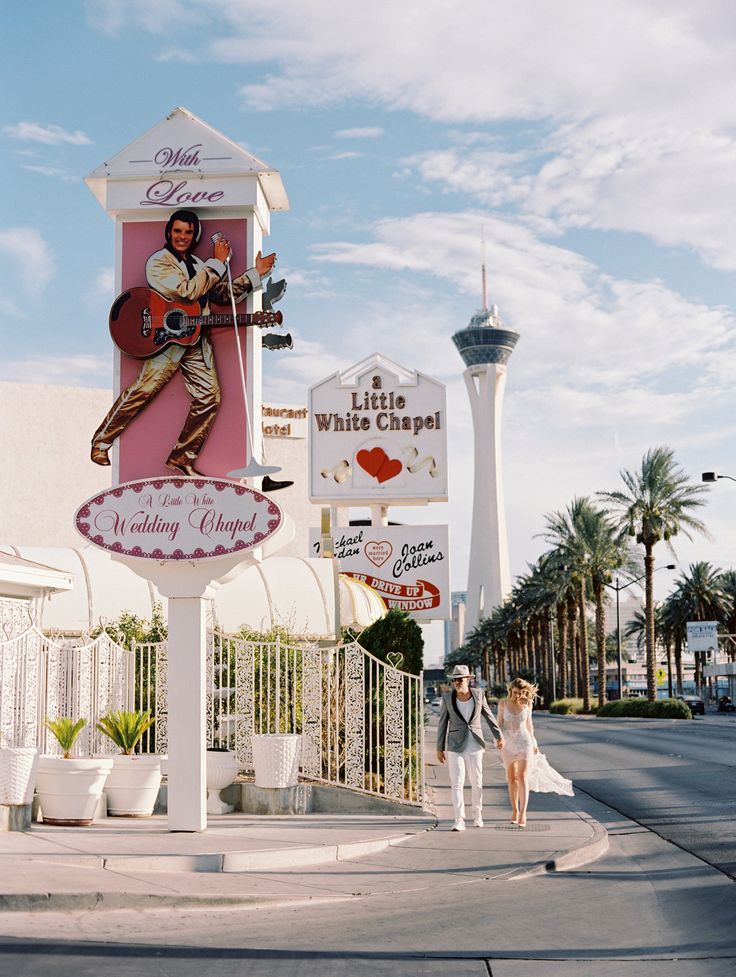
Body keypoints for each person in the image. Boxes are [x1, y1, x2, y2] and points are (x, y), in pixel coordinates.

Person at [91, 209, 276, 477]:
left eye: (188, 232)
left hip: (196, 339)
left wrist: (255, 274)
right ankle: (101, 441)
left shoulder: (201, 265)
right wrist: (216, 262)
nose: (183, 237)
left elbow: (221, 295)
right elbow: (187, 292)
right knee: (143, 390)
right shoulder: (159, 262)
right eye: (178, 231)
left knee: (209, 398)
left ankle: (182, 457)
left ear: (195, 235)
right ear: (169, 232)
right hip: (166, 339)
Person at [436, 664, 504, 831]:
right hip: (454, 745)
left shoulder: (479, 695)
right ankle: (459, 819)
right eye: (455, 680)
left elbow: (489, 716)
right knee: (457, 783)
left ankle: (477, 815)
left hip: (475, 744)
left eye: (461, 679)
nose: (458, 682)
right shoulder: (447, 698)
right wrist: (440, 748)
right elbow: (442, 723)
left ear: (468, 679)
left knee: (477, 781)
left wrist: (499, 736)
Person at [497, 677, 540, 828]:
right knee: (512, 779)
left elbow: (529, 725)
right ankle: (514, 810)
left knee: (522, 777)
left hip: (524, 742)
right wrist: (499, 739)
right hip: (508, 744)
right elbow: (499, 723)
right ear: (510, 690)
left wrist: (534, 742)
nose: (518, 696)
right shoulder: (503, 703)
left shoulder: (527, 703)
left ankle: (523, 813)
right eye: (515, 692)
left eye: (521, 693)